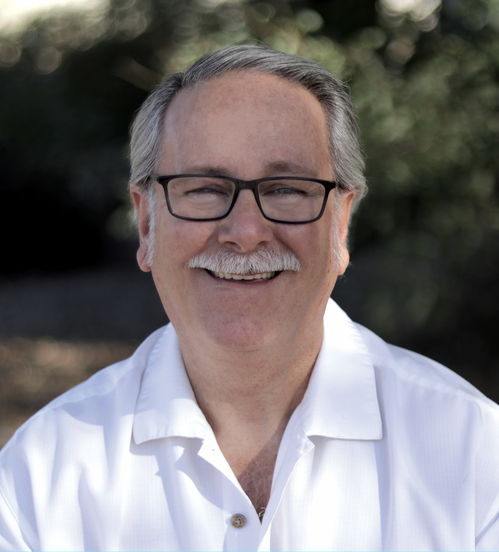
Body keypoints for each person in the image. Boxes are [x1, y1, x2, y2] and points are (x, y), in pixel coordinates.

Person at [0, 45, 498, 552]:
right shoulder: (37, 479)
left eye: (286, 189)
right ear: (147, 224)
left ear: (340, 224)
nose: (245, 232)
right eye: (204, 188)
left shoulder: (475, 455)